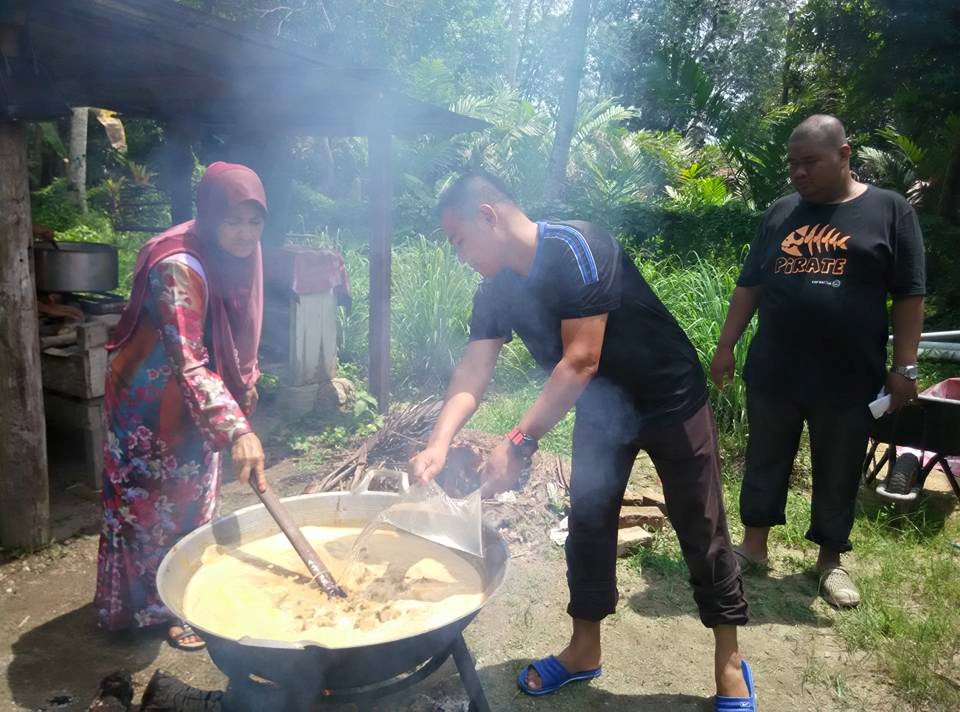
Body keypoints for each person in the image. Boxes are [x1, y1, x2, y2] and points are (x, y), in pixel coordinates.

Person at [411, 173, 756, 708]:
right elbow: (473, 370)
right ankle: (583, 650)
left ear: (487, 216)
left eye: (458, 240)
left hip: (669, 396)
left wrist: (519, 440)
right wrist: (439, 441)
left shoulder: (578, 246)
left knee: (701, 524)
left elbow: (580, 358)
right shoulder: (496, 288)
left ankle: (729, 663)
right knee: (589, 524)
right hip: (599, 409)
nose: (459, 255)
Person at [711, 114, 925, 608]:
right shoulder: (781, 213)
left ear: (844, 154)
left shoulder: (890, 211)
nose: (798, 173)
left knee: (839, 466)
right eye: (793, 163)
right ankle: (754, 546)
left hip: (849, 373)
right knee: (765, 457)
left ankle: (830, 561)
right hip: (776, 367)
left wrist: (905, 366)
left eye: (810, 162)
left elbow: (910, 295)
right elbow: (751, 285)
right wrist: (727, 345)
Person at [94, 162, 269, 650]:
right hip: (150, 406)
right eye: (232, 220)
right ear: (209, 216)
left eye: (254, 221)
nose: (244, 233)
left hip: (200, 397)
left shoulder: (241, 258)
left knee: (195, 496)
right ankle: (154, 608)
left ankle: (179, 594)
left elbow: (237, 333)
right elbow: (188, 359)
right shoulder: (179, 265)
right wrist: (238, 427)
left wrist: (243, 384)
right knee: (151, 505)